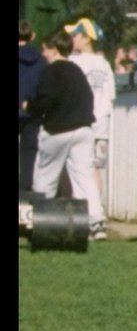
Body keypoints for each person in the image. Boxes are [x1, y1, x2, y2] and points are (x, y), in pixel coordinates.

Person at [28, 29, 102, 236]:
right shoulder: (77, 71)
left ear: (53, 50)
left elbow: (45, 100)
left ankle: (41, 221)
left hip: (57, 130)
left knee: (46, 177)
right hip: (83, 129)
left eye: (44, 49)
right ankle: (96, 222)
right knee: (84, 177)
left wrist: (30, 107)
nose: (42, 54)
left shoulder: (51, 71)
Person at [65, 18, 117, 236]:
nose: (72, 38)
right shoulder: (104, 64)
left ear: (86, 38)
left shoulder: (74, 62)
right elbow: (111, 95)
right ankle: (98, 216)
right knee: (95, 170)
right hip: (101, 123)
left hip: (80, 121)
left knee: (78, 169)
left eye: (75, 35)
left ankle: (85, 217)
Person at [18, 21, 45, 192]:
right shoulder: (41, 60)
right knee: (29, 151)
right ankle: (25, 188)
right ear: (32, 36)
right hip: (32, 110)